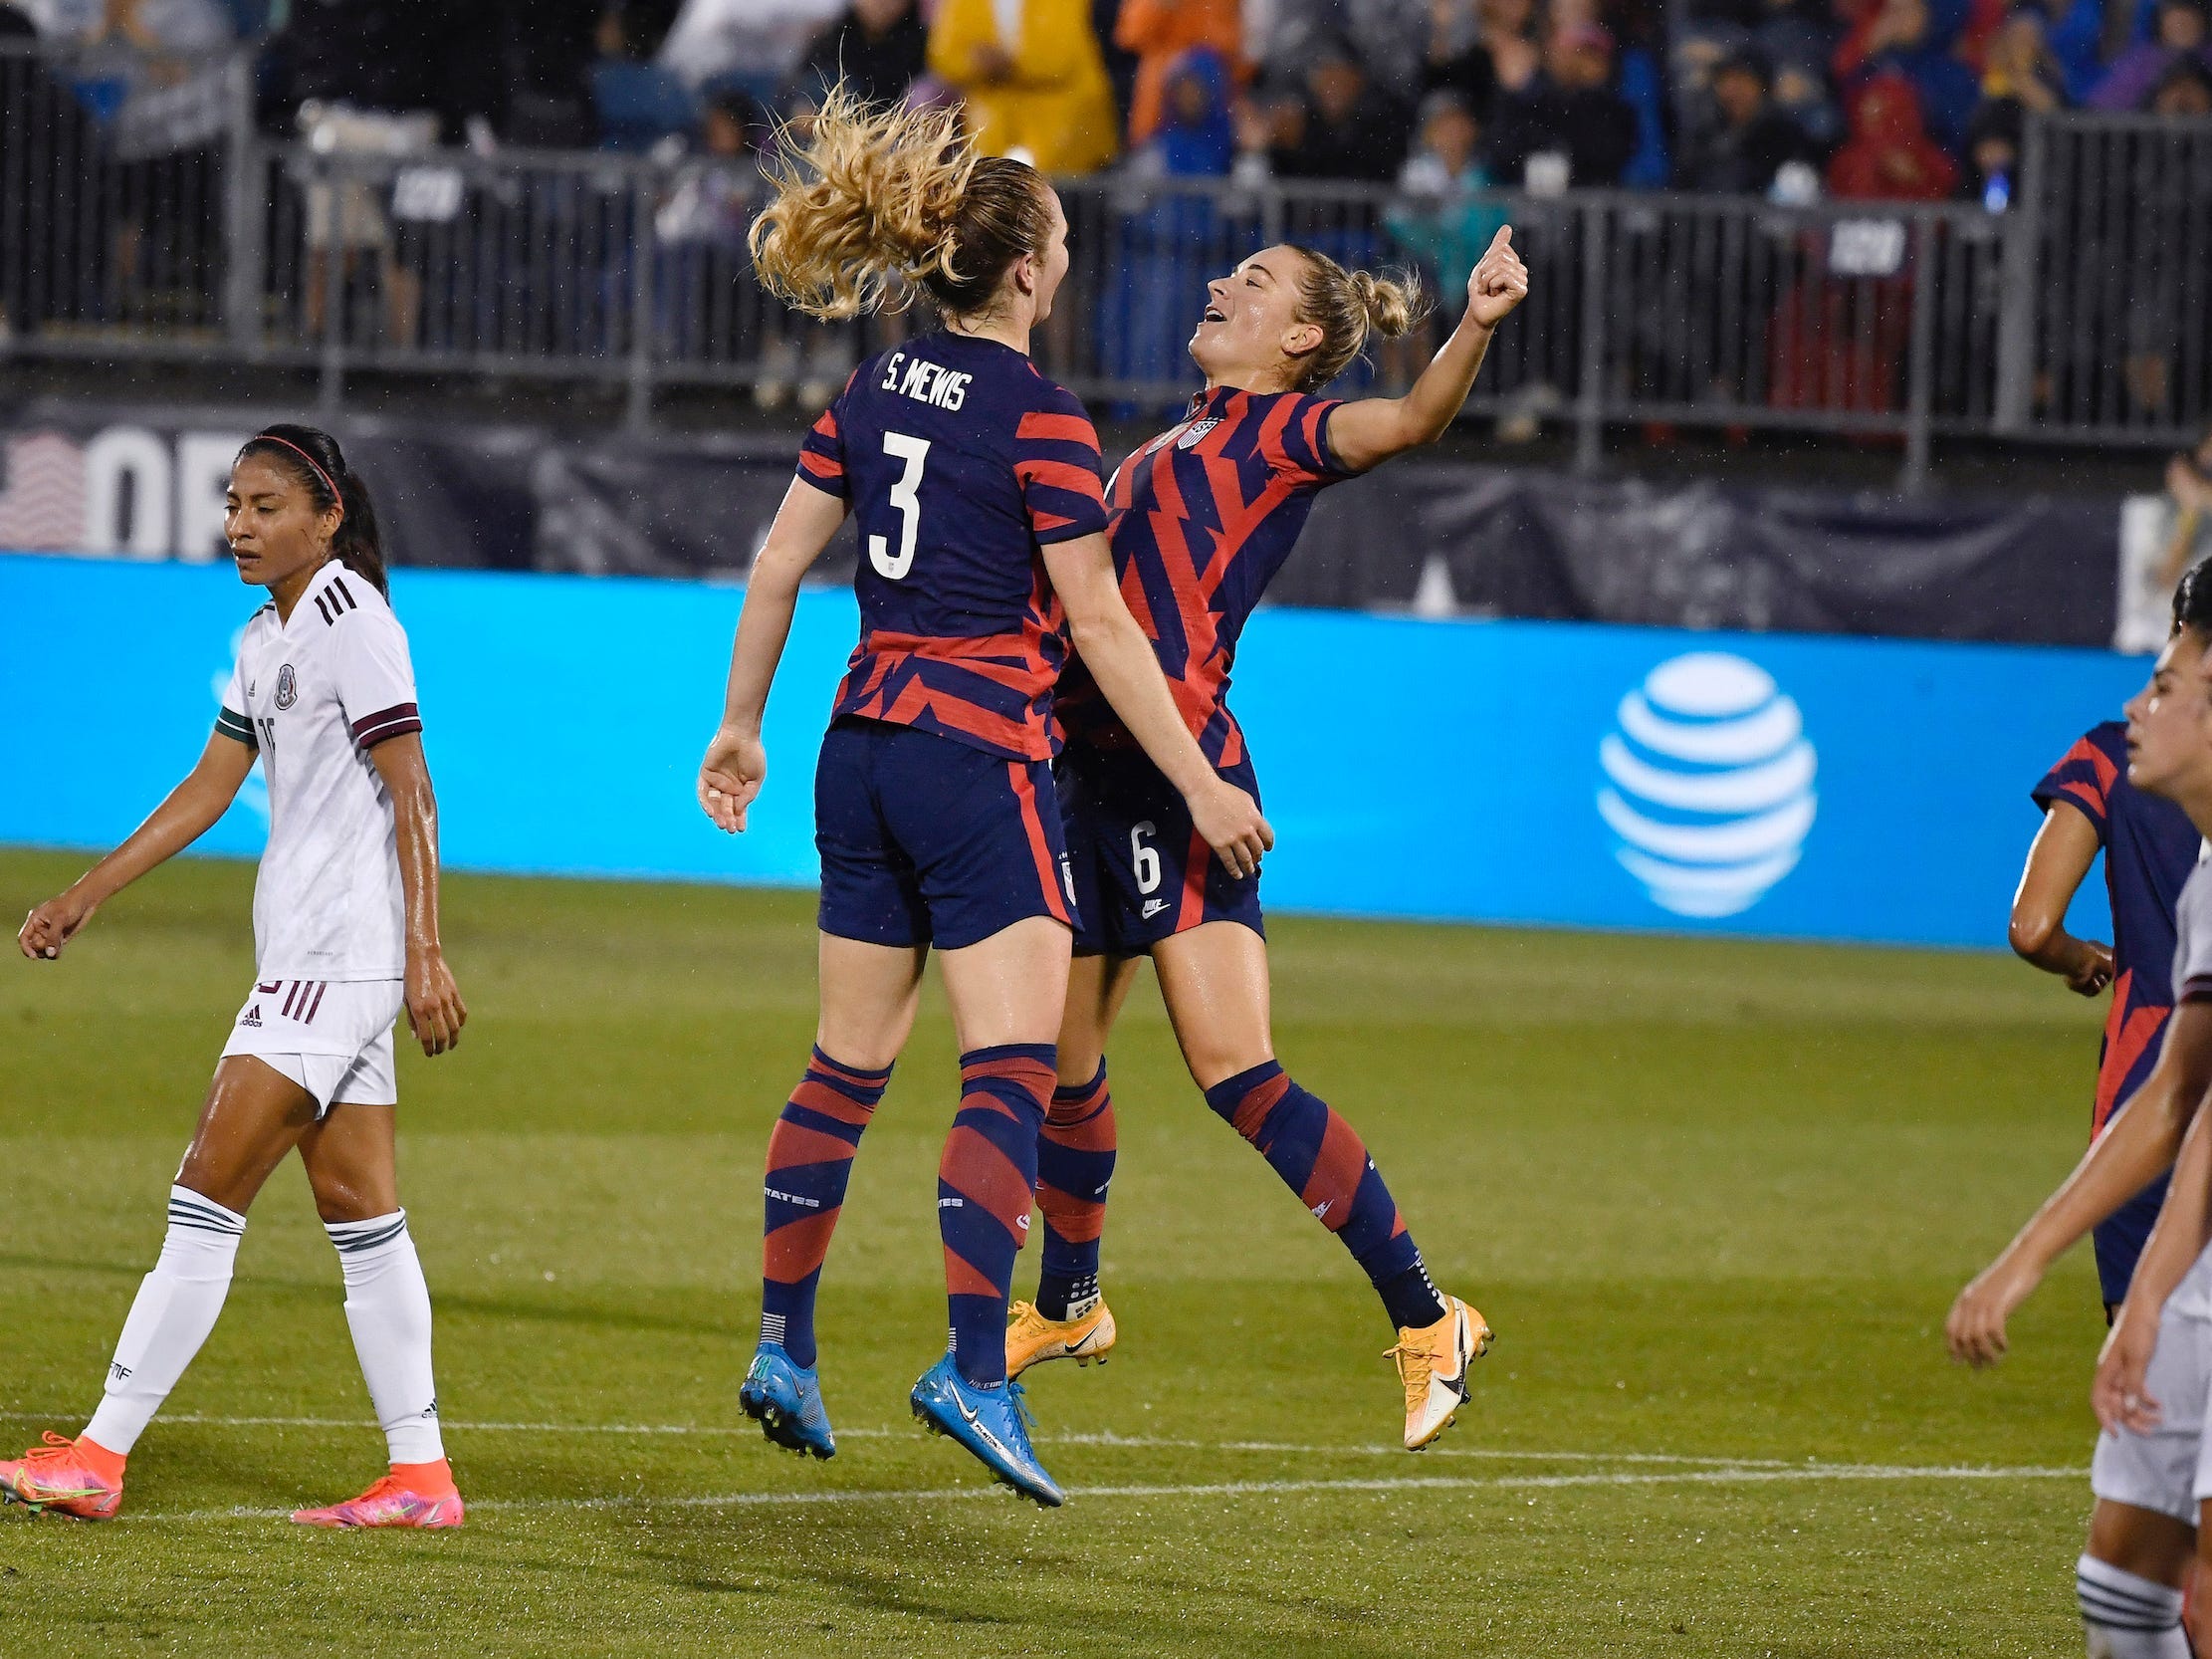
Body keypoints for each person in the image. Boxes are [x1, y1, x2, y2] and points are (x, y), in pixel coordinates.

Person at [696, 89, 1269, 1507]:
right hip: (975, 755)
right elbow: (1100, 627)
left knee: (842, 1065)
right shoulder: (1044, 419)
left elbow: (776, 568)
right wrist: (1197, 781)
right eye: (1060, 237)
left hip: (853, 746)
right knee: (1012, 1064)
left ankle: (783, 1345)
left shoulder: (870, 388)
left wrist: (735, 727)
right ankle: (975, 1364)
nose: (1064, 256)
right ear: (1024, 269)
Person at [1004, 225, 1530, 1452]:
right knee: (1056, 1066)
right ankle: (1070, 1305)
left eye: (1252, 282)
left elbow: (1404, 423)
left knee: (1234, 1070)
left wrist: (1476, 324)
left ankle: (1425, 1317)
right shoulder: (1166, 438)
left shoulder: (1289, 431)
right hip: (1084, 774)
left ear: (1300, 339)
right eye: (1226, 269)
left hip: (1178, 782)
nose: (1217, 282)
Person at [3, 425, 468, 1528]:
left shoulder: (357, 624)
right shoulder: (266, 637)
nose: (239, 528)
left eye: (264, 507)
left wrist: (425, 950)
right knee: (362, 1217)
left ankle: (99, 1455)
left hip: (332, 962)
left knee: (202, 1200)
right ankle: (419, 1477)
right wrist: (89, 890)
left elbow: (415, 792)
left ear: (326, 516)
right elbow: (210, 787)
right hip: (317, 961)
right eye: (232, 506)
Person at [1948, 562, 2212, 1659]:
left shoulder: (2100, 760)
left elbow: (2029, 925)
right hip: (2181, 1208)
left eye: (2162, 681)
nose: (2135, 706)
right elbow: (2182, 1106)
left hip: (2163, 1164)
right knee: (2122, 1585)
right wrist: (2031, 1268)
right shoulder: (2204, 884)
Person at [2011, 719, 2201, 1317]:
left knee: (2140, 1378)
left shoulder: (2117, 751)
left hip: (2146, 1088)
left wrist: (2083, 958)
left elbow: (2033, 929)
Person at [925, 0, 1120, 174]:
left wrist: (1006, 65)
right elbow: (943, 56)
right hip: (992, 138)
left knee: (1063, 209)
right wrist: (975, 62)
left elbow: (1061, 58)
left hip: (1064, 138)